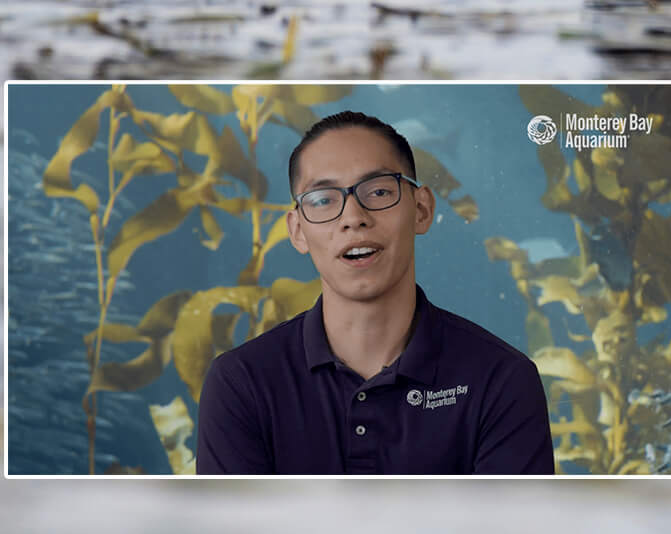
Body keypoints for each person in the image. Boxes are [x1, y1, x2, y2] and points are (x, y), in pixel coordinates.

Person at [194, 111, 556, 475]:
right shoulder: (241, 384)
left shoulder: (501, 380)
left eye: (379, 191)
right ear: (298, 231)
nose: (353, 216)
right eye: (323, 200)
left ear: (422, 209)